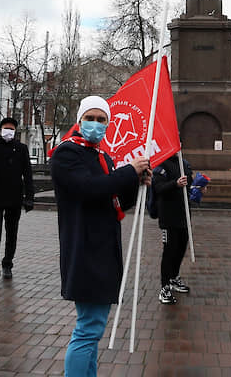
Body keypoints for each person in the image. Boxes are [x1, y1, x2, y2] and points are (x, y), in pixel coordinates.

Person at [52, 96, 152, 376]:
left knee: (91, 329)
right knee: (88, 330)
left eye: (101, 120)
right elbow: (89, 188)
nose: (95, 124)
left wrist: (137, 182)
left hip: (103, 250)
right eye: (90, 118)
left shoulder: (102, 156)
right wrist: (129, 172)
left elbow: (115, 198)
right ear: (79, 120)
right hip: (84, 249)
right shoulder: (67, 153)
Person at [0, 117, 35, 289]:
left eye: (11, 129)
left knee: (11, 234)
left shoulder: (21, 149)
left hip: (14, 198)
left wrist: (29, 197)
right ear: (0, 130)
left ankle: (7, 263)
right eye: (5, 128)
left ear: (15, 131)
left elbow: (28, 175)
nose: (8, 132)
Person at [152, 155, 193, 305]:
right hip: (169, 217)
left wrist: (198, 188)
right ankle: (164, 287)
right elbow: (158, 188)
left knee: (180, 249)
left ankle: (174, 277)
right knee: (169, 252)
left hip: (184, 216)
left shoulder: (184, 164)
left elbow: (189, 186)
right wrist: (175, 184)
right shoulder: (161, 165)